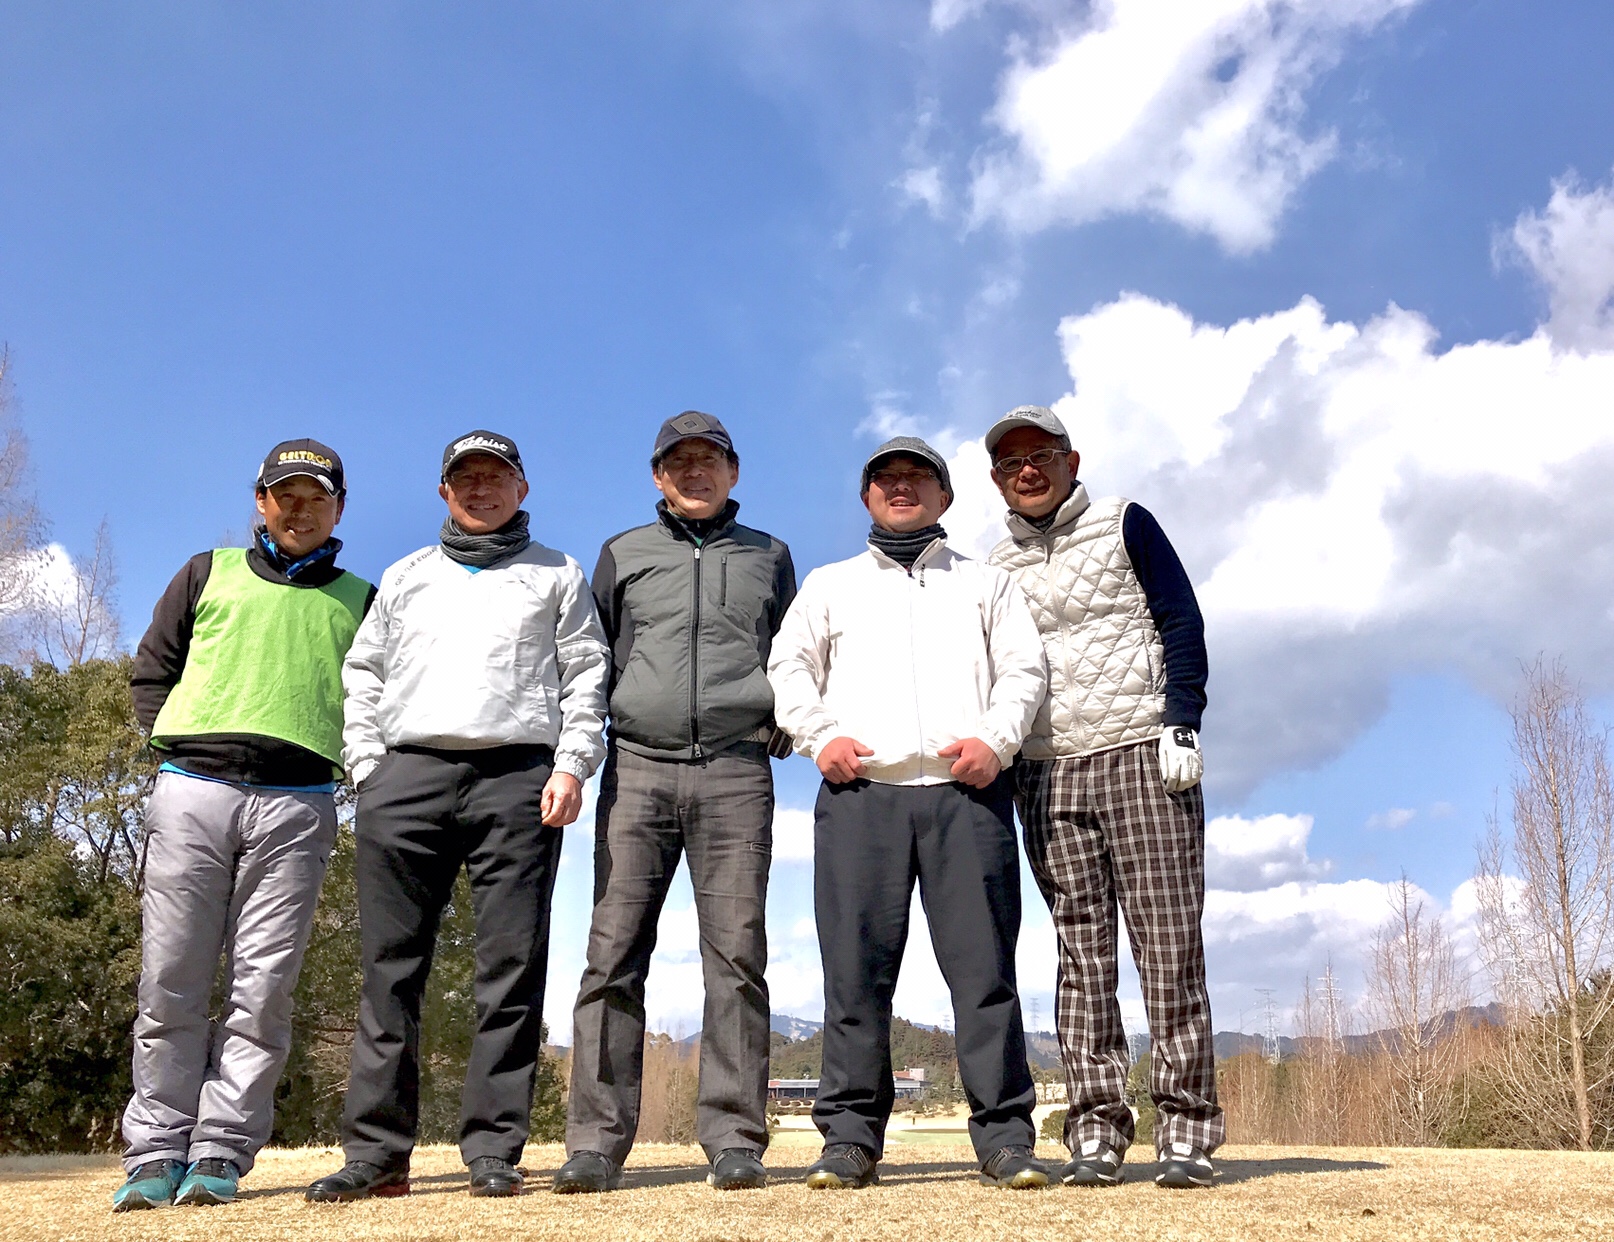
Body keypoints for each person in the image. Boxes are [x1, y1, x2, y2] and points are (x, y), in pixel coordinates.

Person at [306, 430, 609, 1202]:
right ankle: (377, 1154)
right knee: (390, 968)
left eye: (495, 477)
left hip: (519, 779)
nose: (481, 489)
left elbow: (585, 673)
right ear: (444, 491)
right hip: (407, 777)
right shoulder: (406, 575)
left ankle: (494, 1149)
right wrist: (368, 768)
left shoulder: (559, 573)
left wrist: (572, 764)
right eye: (465, 478)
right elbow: (364, 670)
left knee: (509, 969)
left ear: (521, 488)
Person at [767, 436, 1050, 1191]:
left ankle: (1005, 1138)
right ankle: (849, 1140)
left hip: (968, 793)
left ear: (944, 495)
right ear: (866, 497)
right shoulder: (830, 585)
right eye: (886, 479)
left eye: (917, 477)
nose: (901, 487)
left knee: (985, 976)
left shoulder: (987, 584)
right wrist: (819, 736)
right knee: (854, 977)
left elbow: (1024, 670)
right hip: (862, 796)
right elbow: (788, 667)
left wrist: (997, 739)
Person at [117, 440, 374, 1211]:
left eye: (317, 498)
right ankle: (154, 1154)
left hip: (300, 803)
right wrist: (172, 750)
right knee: (171, 980)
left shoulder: (362, 600)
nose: (300, 510)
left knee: (263, 991)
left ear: (339, 508)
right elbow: (153, 669)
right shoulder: (206, 572)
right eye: (285, 495)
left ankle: (219, 1155)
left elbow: (377, 700)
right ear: (261, 502)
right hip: (193, 793)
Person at [554, 411, 797, 1194]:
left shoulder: (770, 556)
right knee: (612, 953)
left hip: (736, 774)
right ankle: (595, 1142)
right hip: (638, 770)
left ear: (734, 471)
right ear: (658, 476)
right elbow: (591, 660)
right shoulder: (622, 553)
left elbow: (793, 655)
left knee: (738, 957)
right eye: (679, 461)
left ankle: (734, 1138)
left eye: (709, 460)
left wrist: (782, 725)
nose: (695, 472)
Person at [983, 404, 1223, 1189]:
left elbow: (1180, 620)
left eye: (1041, 454)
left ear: (1071, 460)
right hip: (1048, 771)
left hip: (1142, 754)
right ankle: (1095, 1129)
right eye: (1011, 461)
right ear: (996, 479)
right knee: (1081, 959)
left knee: (1169, 948)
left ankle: (1186, 1129)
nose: (1027, 469)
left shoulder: (1126, 523)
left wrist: (1181, 720)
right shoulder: (993, 568)